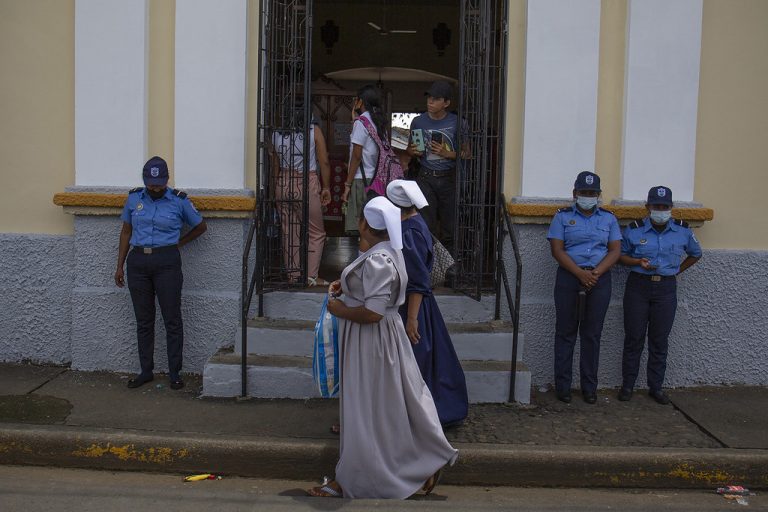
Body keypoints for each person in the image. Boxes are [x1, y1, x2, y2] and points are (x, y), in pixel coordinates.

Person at [308, 197, 458, 499]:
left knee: (363, 411)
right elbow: (375, 291)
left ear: (365, 224)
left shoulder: (378, 260)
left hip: (370, 343)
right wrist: (346, 284)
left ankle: (351, 480)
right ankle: (416, 465)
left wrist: (339, 310)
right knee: (385, 409)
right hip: (382, 340)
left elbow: (373, 312)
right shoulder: (389, 251)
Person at [114, 156, 207, 390]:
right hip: (138, 263)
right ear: (145, 180)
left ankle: (175, 372)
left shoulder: (179, 201)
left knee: (172, 319)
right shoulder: (134, 198)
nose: (155, 188)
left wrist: (179, 243)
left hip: (167, 262)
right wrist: (119, 265)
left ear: (166, 179)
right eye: (151, 183)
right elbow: (126, 231)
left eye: (159, 183)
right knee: (144, 321)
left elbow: (201, 226)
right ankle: (146, 371)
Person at [387, 179, 468, 426]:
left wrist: (412, 319)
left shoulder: (409, 232)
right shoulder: (417, 223)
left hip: (414, 307)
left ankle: (416, 416)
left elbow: (417, 280)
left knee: (414, 362)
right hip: (419, 306)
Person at [618, 186, 702, 405]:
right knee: (634, 338)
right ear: (648, 207)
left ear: (671, 208)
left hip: (665, 289)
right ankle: (628, 385)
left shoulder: (683, 230)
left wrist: (676, 271)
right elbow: (620, 256)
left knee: (659, 340)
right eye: (656, 206)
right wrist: (637, 262)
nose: (661, 210)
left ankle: (655, 387)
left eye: (665, 207)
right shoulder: (634, 229)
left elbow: (696, 253)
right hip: (638, 287)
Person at [546, 171, 621, 404]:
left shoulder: (609, 219)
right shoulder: (562, 217)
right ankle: (563, 386)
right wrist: (579, 273)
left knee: (592, 334)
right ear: (574, 193)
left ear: (598, 195)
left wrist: (595, 273)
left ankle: (589, 387)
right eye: (584, 192)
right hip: (570, 277)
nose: (588, 196)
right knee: (565, 332)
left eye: (592, 193)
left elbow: (615, 250)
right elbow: (557, 250)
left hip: (599, 280)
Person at [406, 80, 469, 255]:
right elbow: (410, 149)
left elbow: (468, 154)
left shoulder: (458, 123)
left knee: (450, 227)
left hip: (449, 178)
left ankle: (450, 270)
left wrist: (447, 153)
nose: (430, 102)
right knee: (426, 225)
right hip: (425, 177)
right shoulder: (418, 122)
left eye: (436, 99)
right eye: (429, 98)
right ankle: (429, 269)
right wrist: (412, 151)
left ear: (446, 103)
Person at [270, 118, 332, 286]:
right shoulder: (313, 131)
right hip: (306, 183)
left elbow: (274, 165)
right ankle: (310, 277)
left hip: (282, 182)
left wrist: (273, 189)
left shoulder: (275, 134)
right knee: (316, 232)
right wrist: (326, 187)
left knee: (289, 231)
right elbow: (324, 161)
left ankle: (293, 276)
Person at [341, 85, 387, 241]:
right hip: (376, 181)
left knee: (362, 228)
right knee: (372, 227)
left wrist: (347, 185)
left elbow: (356, 156)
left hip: (361, 180)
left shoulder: (361, 123)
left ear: (360, 101)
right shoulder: (377, 123)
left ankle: (363, 262)